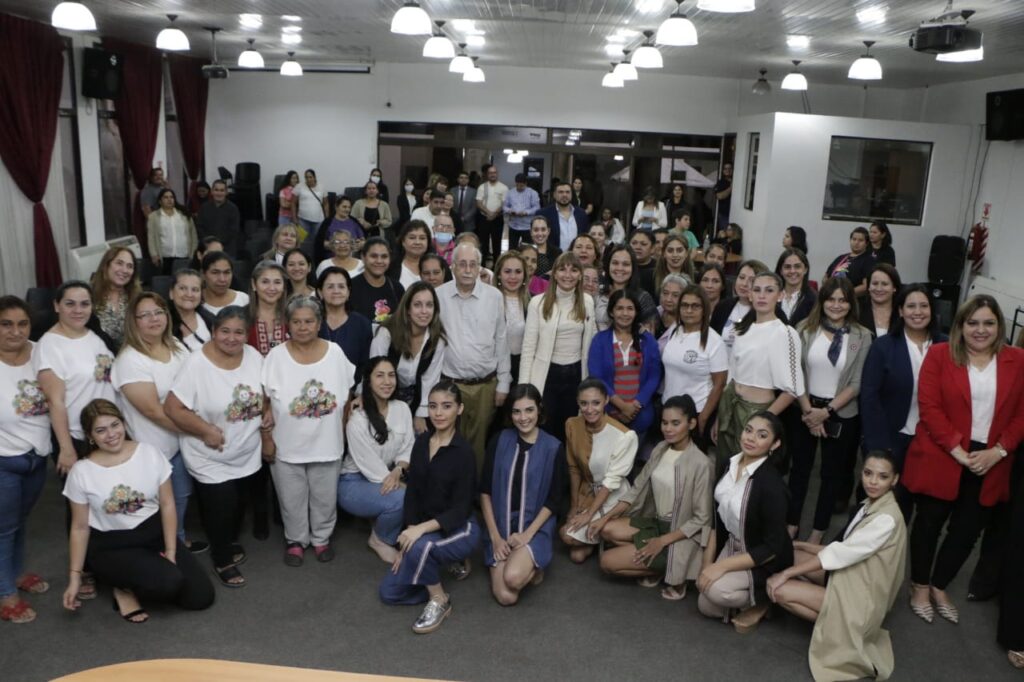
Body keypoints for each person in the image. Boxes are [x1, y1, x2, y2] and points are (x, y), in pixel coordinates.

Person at [902, 296, 1024, 624]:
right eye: (972, 322)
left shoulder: (1018, 360)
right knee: (928, 525)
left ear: (1000, 326)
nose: (980, 330)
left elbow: (1022, 415)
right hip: (944, 454)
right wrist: (959, 451)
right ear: (960, 326)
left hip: (992, 459)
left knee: (966, 532)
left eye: (988, 323)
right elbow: (929, 407)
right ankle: (919, 585)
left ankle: (940, 585)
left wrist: (997, 452)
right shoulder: (940, 355)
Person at [62, 399, 214, 623]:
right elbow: (80, 527)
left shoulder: (149, 453)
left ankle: (147, 574)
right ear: (91, 436)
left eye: (115, 425)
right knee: (168, 581)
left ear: (123, 423)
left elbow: (168, 504)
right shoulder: (81, 471)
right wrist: (75, 577)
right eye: (101, 430)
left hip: (153, 533)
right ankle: (122, 587)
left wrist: (171, 551)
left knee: (201, 598)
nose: (111, 434)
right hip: (111, 545)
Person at [767, 451, 907, 682]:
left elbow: (839, 554)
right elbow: (842, 548)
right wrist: (798, 544)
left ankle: (835, 627)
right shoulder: (871, 505)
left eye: (882, 477)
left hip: (860, 597)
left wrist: (785, 574)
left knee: (780, 590)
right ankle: (827, 613)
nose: (873, 481)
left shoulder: (886, 518)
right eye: (868, 473)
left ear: (894, 480)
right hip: (852, 577)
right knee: (792, 553)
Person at [165, 306, 265, 588]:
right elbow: (173, 408)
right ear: (213, 332)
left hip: (246, 449)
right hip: (209, 454)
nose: (232, 338)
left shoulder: (254, 357)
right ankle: (222, 559)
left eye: (239, 332)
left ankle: (228, 542)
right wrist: (205, 429)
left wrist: (266, 410)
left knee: (236, 507)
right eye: (225, 331)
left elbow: (265, 392)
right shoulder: (196, 364)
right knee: (220, 507)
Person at [379, 381, 481, 634]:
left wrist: (417, 533)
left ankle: (440, 600)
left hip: (460, 528)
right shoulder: (422, 442)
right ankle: (433, 564)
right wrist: (405, 543)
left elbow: (460, 509)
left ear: (459, 409)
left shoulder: (464, 453)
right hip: (428, 529)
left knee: (421, 547)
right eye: (433, 406)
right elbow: (413, 494)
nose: (438, 413)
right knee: (388, 592)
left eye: (446, 406)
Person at [262, 297, 354, 566]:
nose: (303, 327)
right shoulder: (276, 356)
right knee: (291, 498)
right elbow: (264, 401)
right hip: (286, 444)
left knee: (325, 496)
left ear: (319, 323)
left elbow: (347, 395)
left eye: (309, 321)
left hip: (327, 441)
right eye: (296, 322)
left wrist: (343, 432)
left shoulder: (335, 352)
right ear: (287, 324)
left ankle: (321, 538)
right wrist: (266, 438)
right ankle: (296, 540)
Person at [595, 395, 714, 600]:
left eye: (676, 423)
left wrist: (661, 542)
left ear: (691, 423)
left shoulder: (701, 463)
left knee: (607, 561)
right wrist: (603, 517)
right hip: (656, 522)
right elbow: (636, 488)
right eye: (665, 423)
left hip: (679, 534)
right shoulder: (660, 448)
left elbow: (702, 519)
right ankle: (655, 561)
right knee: (605, 529)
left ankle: (668, 569)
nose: (668, 429)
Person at [113, 292, 205, 553]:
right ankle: (166, 550)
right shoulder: (130, 360)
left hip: (180, 441)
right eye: (145, 315)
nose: (154, 319)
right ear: (134, 321)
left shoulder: (175, 344)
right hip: (154, 447)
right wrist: (198, 430)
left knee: (180, 497)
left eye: (159, 312)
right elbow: (153, 411)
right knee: (159, 504)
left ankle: (178, 541)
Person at [788, 278, 872, 543]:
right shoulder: (803, 329)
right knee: (799, 472)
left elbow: (858, 382)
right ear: (822, 301)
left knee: (831, 476)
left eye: (843, 300)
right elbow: (794, 374)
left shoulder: (862, 335)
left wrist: (826, 412)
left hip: (841, 413)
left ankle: (817, 533)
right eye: (831, 299)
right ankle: (791, 526)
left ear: (851, 303)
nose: (836, 305)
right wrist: (809, 411)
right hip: (804, 408)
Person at [698, 411, 792, 632]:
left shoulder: (772, 486)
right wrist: (706, 565)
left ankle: (764, 599)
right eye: (748, 430)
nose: (751, 438)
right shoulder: (727, 464)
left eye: (761, 435)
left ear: (775, 444)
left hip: (763, 556)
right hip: (732, 543)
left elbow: (771, 547)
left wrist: (719, 567)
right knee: (706, 604)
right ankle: (743, 599)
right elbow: (717, 519)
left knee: (715, 591)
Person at [860, 284, 945, 521]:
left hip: (929, 441)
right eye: (911, 306)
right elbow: (869, 396)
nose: (917, 312)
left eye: (923, 306)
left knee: (909, 506)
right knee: (880, 504)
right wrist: (879, 445)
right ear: (900, 311)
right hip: (891, 439)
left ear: (932, 310)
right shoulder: (884, 346)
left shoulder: (945, 346)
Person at [480, 384, 566, 605]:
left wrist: (527, 535)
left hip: (533, 528)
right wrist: (496, 538)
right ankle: (519, 562)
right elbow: (485, 491)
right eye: (517, 411)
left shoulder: (553, 447)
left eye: (529, 410)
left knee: (513, 578)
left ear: (539, 410)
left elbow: (554, 500)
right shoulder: (499, 440)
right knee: (506, 597)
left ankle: (534, 566)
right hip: (501, 526)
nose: (523, 417)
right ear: (510, 414)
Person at [713, 272, 804, 474]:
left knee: (747, 472)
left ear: (780, 295)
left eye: (769, 290)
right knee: (724, 469)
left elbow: (792, 389)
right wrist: (721, 416)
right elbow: (732, 376)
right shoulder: (742, 329)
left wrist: (763, 420)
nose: (762, 296)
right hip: (730, 404)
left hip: (758, 411)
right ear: (750, 295)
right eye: (757, 290)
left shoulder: (786, 333)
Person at [0, 296, 52, 624]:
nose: (15, 331)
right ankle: (6, 592)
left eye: (22, 324)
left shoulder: (42, 353)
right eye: (6, 324)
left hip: (37, 458)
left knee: (18, 521)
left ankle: (15, 573)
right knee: (3, 529)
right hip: (4, 461)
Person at [436, 243, 512, 466]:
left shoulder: (494, 296)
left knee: (479, 447)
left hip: (485, 386)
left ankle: (475, 496)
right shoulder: (438, 296)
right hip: (451, 385)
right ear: (453, 267)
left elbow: (501, 340)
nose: (467, 270)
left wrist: (504, 382)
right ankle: (453, 496)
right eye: (462, 264)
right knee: (450, 443)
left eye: (473, 264)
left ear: (480, 268)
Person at [38, 282, 117, 483]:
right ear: (57, 306)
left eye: (84, 304)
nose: (78, 310)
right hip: (77, 439)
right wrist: (66, 448)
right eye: (70, 304)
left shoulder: (95, 336)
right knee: (82, 507)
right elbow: (55, 402)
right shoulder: (49, 345)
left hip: (108, 434)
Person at [340, 356, 414, 563]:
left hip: (390, 474)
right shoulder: (358, 418)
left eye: (391, 375)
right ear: (368, 381)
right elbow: (370, 467)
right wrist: (402, 486)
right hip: (353, 482)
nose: (387, 381)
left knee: (419, 491)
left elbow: (408, 445)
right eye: (379, 376)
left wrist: (399, 468)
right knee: (403, 498)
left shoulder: (402, 408)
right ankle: (380, 539)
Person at [520, 252, 596, 444]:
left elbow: (591, 341)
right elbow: (528, 348)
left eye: (574, 269)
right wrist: (524, 389)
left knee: (570, 432)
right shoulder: (538, 302)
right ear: (554, 273)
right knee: (545, 430)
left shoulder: (587, 301)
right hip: (547, 376)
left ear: (580, 275)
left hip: (576, 375)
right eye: (562, 269)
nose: (567, 275)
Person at [561, 379, 638, 563]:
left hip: (613, 496)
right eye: (584, 403)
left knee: (571, 539)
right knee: (572, 547)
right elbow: (573, 469)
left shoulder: (625, 436)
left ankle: (605, 533)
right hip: (587, 492)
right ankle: (598, 540)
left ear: (606, 401)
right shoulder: (572, 424)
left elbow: (611, 482)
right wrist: (574, 506)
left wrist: (588, 515)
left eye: (596, 403)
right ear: (578, 403)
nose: (589, 409)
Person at [371, 282, 447, 435]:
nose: (424, 311)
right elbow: (374, 374)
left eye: (429, 305)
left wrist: (420, 414)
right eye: (418, 305)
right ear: (407, 310)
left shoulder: (437, 340)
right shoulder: (387, 334)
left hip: (416, 399)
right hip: (382, 395)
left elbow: (429, 380)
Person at [588, 290, 661, 439]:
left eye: (630, 308)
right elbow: (596, 377)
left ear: (636, 312)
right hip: (609, 413)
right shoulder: (600, 340)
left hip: (640, 413)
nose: (625, 313)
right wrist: (621, 406)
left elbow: (655, 375)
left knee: (632, 461)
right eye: (620, 308)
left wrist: (636, 404)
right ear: (612, 312)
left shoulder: (647, 340)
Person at [661, 286, 728, 438]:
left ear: (704, 309)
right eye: (684, 305)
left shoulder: (714, 341)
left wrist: (703, 417)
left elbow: (719, 384)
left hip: (696, 413)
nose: (689, 310)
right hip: (669, 409)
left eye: (695, 306)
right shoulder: (675, 331)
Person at [317, 267, 373, 385]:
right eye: (330, 286)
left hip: (351, 391)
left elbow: (365, 365)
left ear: (348, 292)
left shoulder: (362, 324)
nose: (336, 291)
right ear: (320, 292)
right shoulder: (311, 321)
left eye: (341, 286)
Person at [710, 259, 769, 353]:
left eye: (751, 280)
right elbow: (711, 341)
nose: (744, 284)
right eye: (741, 277)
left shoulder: (769, 311)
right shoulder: (723, 306)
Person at [596, 244, 657, 331]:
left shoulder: (642, 297)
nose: (620, 268)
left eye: (626, 264)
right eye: (615, 263)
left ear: (633, 268)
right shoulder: (598, 292)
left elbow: (649, 336)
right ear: (608, 265)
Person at [90, 247, 142, 349]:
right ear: (107, 265)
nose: (124, 270)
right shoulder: (89, 296)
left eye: (130, 266)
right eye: (119, 263)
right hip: (99, 357)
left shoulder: (137, 298)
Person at [349, 237, 405, 330]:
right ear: (363, 257)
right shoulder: (350, 287)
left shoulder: (397, 288)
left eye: (384, 256)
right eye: (374, 256)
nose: (379, 261)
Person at [494, 251, 529, 382]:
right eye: (507, 271)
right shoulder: (489, 300)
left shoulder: (533, 303)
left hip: (523, 369)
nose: (513, 277)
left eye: (518, 272)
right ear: (498, 274)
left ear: (524, 275)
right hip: (494, 371)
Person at [147, 188, 198, 275]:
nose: (169, 200)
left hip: (184, 255)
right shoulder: (153, 217)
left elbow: (193, 235)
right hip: (165, 256)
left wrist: (193, 253)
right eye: (166, 197)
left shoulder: (184, 214)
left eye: (171, 197)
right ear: (160, 201)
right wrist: (154, 254)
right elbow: (151, 237)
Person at [247, 261, 289, 356]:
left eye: (277, 282)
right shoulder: (241, 318)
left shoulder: (292, 317)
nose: (272, 288)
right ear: (254, 284)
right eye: (265, 282)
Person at [168, 269, 214, 353]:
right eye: (182, 288)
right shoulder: (160, 323)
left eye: (195, 290)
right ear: (171, 293)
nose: (189, 294)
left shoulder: (211, 320)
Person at [538, 181, 589, 253]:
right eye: (561, 192)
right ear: (554, 195)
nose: (564, 195)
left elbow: (585, 236)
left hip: (576, 258)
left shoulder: (581, 214)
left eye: (567, 192)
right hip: (553, 258)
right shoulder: (543, 214)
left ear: (571, 195)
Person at [196, 180, 241, 258]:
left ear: (226, 192)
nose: (219, 193)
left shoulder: (233, 209)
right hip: (208, 249)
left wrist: (217, 244)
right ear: (212, 191)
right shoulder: (204, 208)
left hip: (227, 251)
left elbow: (233, 230)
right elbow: (200, 227)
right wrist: (210, 243)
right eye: (216, 190)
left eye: (222, 190)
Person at [312, 196, 364, 266]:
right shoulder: (328, 223)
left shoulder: (354, 222)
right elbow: (320, 243)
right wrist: (334, 244)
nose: (347, 209)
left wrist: (360, 244)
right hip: (332, 261)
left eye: (349, 207)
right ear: (336, 207)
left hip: (352, 260)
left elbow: (363, 240)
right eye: (344, 207)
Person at [475, 165, 508, 266]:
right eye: (490, 173)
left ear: (497, 174)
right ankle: (482, 265)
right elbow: (478, 202)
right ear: (487, 175)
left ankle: (497, 266)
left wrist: (494, 214)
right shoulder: (482, 187)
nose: (492, 175)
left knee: (496, 244)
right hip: (484, 218)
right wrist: (489, 213)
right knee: (483, 244)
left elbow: (504, 204)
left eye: (494, 173)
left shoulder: (503, 188)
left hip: (497, 219)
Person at [776, 248, 817, 328]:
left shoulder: (814, 299)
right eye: (787, 267)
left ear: (805, 269)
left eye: (797, 266)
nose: (792, 271)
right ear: (781, 270)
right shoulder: (772, 295)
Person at [858, 263, 901, 339]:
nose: (879, 289)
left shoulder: (902, 312)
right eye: (875, 283)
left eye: (885, 284)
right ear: (868, 287)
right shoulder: (857, 310)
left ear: (894, 287)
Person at [199, 252, 249, 316]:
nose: (222, 279)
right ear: (203, 274)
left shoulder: (244, 300)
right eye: (215, 272)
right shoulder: (194, 301)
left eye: (227, 272)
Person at [825, 227, 873, 295]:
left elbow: (865, 286)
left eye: (860, 240)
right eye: (854, 239)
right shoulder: (841, 257)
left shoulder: (869, 260)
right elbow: (826, 276)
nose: (856, 242)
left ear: (866, 243)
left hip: (853, 300)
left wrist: (846, 295)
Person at [503, 173, 540, 250]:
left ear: (526, 183)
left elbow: (537, 207)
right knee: (512, 249)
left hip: (527, 226)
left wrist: (526, 212)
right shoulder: (510, 192)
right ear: (515, 183)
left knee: (527, 248)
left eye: (521, 186)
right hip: (514, 225)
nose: (519, 187)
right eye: (517, 185)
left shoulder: (532, 193)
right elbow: (504, 206)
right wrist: (510, 211)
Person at [390, 220, 432, 289]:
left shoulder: (436, 266)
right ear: (403, 241)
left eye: (422, 238)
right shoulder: (391, 267)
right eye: (412, 238)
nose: (417, 242)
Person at [292, 168, 329, 239]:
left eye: (310, 177)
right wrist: (294, 218)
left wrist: (327, 219)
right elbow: (293, 203)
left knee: (317, 240)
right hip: (303, 220)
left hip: (318, 221)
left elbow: (326, 204)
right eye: (306, 177)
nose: (308, 179)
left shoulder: (322, 187)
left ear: (314, 177)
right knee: (301, 240)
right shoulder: (299, 186)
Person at [653, 273, 687, 340]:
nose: (668, 299)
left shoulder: (686, 324)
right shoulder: (651, 315)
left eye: (675, 295)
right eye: (665, 293)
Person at [452, 171, 477, 235]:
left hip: (468, 223)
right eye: (461, 178)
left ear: (468, 180)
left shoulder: (474, 192)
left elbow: (474, 207)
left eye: (466, 178)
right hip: (454, 222)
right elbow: (451, 205)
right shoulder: (452, 190)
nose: (463, 180)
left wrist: (464, 218)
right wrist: (456, 218)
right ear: (458, 179)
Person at [713, 162, 733, 230]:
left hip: (736, 213)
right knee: (724, 233)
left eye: (730, 168)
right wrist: (731, 188)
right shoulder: (720, 182)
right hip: (724, 215)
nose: (728, 170)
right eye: (725, 168)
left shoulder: (737, 180)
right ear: (723, 171)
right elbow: (720, 196)